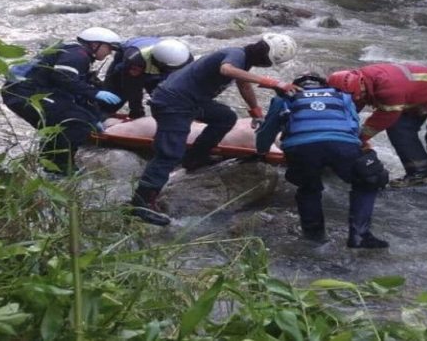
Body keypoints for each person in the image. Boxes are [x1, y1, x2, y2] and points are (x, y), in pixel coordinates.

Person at [128, 33, 299, 226]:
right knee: (169, 153)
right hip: (173, 103)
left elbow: (244, 85)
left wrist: (256, 113)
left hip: (191, 101)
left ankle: (195, 158)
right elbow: (227, 70)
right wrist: (273, 82)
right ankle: (140, 204)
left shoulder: (243, 61)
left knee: (225, 117)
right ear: (266, 58)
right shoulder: (236, 54)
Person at [255, 73, 390, 248]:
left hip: (301, 148)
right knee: (367, 180)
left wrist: (261, 152)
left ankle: (314, 238)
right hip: (342, 145)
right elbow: (354, 126)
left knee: (308, 188)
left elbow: (268, 130)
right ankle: (360, 235)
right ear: (324, 86)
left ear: (294, 85)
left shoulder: (283, 98)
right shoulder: (343, 97)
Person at [1, 27, 123, 175]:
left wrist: (95, 117)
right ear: (94, 44)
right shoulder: (77, 55)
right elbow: (63, 77)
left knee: (62, 123)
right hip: (25, 92)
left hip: (30, 91)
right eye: (108, 48)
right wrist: (95, 93)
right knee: (75, 124)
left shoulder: (76, 54)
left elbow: (73, 94)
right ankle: (60, 170)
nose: (109, 53)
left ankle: (48, 165)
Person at [327, 62, 427, 187]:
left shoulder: (389, 88)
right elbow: (352, 109)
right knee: (399, 130)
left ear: (361, 84)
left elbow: (381, 120)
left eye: (356, 95)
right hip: (414, 97)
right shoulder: (360, 82)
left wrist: (358, 139)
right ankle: (419, 174)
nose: (355, 98)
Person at [101, 37, 194, 119]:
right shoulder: (135, 59)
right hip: (129, 63)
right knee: (113, 100)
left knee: (164, 101)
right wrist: (136, 111)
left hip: (154, 68)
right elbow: (132, 88)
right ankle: (100, 118)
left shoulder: (185, 58)